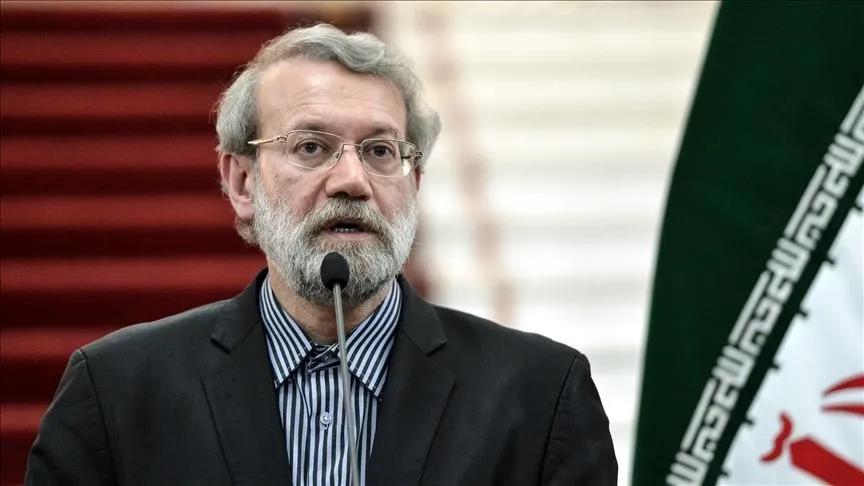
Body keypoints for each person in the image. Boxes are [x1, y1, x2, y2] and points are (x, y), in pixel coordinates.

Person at [25, 23, 617, 486]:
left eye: (381, 151)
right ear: (241, 183)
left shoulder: (541, 394)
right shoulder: (118, 390)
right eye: (311, 146)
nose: (352, 180)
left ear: (414, 183)